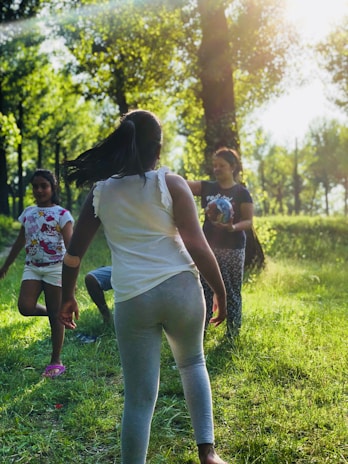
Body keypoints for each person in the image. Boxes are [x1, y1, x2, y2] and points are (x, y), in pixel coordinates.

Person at [59, 109, 229, 464]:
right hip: (181, 289)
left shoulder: (100, 193)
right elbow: (197, 246)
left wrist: (68, 296)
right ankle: (208, 454)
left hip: (133, 299)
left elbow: (73, 256)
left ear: (122, 145)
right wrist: (221, 291)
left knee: (138, 398)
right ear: (158, 148)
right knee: (193, 363)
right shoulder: (171, 183)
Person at [0, 169, 74, 378]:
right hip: (32, 267)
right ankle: (55, 315)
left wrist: (71, 277)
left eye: (44, 186)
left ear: (53, 188)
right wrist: (5, 266)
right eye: (35, 186)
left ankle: (55, 361)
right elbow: (19, 241)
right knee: (25, 307)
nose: (39, 190)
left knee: (55, 314)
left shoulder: (62, 214)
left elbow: (71, 248)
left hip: (55, 269)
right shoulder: (28, 212)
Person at [187, 147, 253, 340]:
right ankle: (202, 333)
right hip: (208, 247)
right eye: (214, 165)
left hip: (233, 248)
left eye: (221, 165)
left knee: (231, 290)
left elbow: (249, 221)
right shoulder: (206, 187)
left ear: (232, 167)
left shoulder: (242, 192)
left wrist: (233, 227)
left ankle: (232, 335)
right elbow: (180, 184)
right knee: (205, 289)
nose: (216, 169)